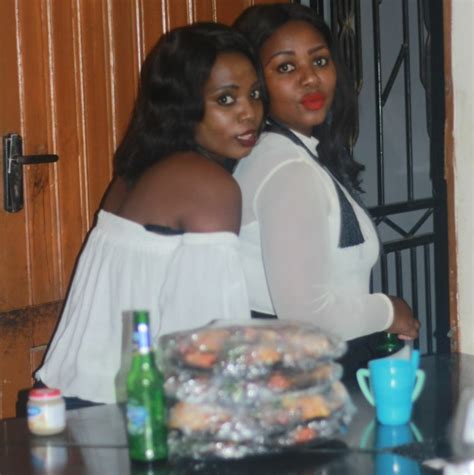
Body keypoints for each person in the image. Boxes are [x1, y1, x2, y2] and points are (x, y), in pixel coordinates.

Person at [35, 22, 265, 406]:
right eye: (226, 99)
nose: (249, 113)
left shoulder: (133, 172)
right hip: (131, 410)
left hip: (69, 398)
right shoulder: (210, 186)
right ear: (183, 107)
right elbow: (210, 346)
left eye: (255, 94)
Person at [233, 4, 420, 376]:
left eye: (319, 61)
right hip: (300, 378)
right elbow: (308, 319)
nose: (310, 79)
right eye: (286, 67)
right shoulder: (289, 170)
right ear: (255, 84)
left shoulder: (283, 154)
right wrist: (389, 310)